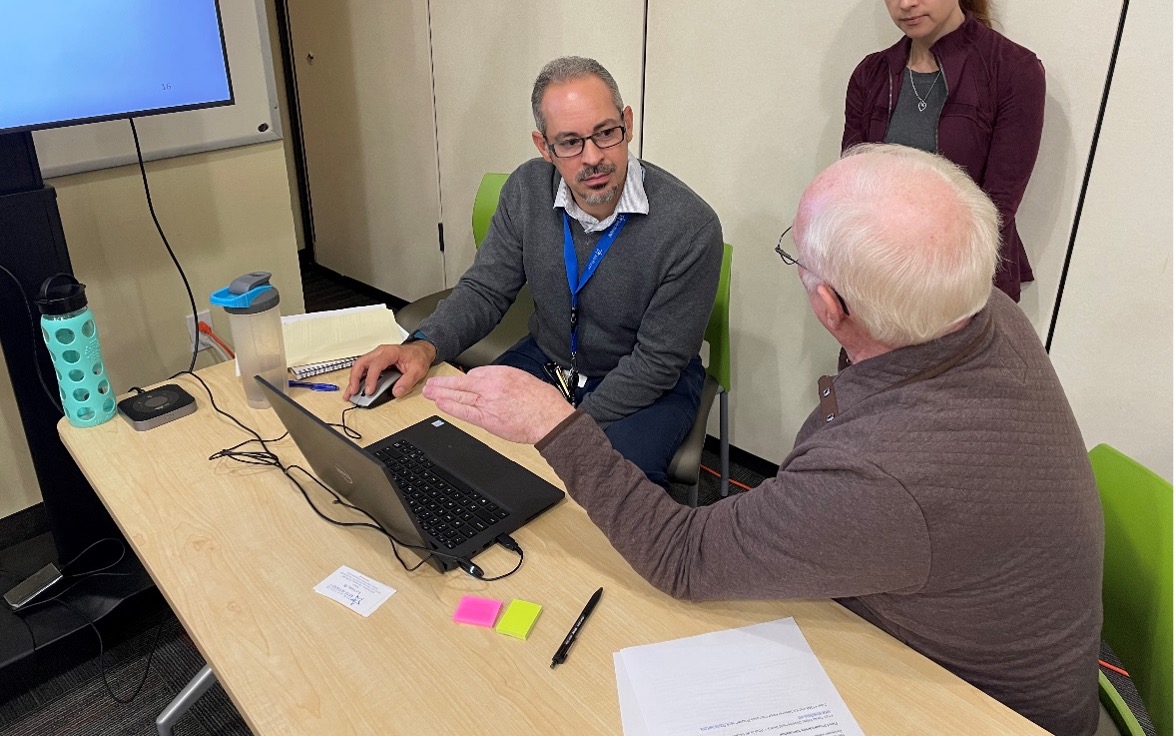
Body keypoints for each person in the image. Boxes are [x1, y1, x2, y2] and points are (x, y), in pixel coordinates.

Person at [422, 144, 1104, 736]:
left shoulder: (880, 478)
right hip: (968, 641)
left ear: (829, 308)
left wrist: (553, 423)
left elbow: (683, 558)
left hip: (969, 708)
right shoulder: (987, 315)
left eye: (796, 257)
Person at [346, 55, 723, 487]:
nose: (594, 158)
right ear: (544, 147)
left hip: (645, 384)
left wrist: (557, 424)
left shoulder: (689, 226)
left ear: (628, 123)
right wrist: (423, 347)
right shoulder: (526, 190)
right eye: (570, 142)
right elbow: (486, 290)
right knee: (456, 453)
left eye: (606, 133)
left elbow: (657, 363)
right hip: (549, 359)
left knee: (603, 496)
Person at [843, 0, 1046, 302]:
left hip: (965, 288)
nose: (906, 1)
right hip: (878, 284)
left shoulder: (1013, 70)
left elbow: (997, 210)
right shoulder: (870, 75)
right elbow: (850, 192)